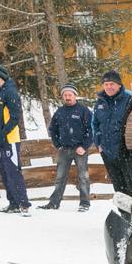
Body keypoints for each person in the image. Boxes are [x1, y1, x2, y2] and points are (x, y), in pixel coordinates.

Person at [39, 83, 93, 212]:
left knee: (83, 177)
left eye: (70, 95)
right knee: (60, 177)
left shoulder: (83, 111)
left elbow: (91, 130)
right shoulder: (60, 111)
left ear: (75, 96)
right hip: (64, 149)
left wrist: (84, 146)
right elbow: (53, 129)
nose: (68, 97)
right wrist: (58, 144)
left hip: (80, 150)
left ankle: (84, 203)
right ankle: (54, 203)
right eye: (65, 95)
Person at [0, 64, 31, 214]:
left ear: (0, 77)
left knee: (13, 171)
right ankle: (12, 203)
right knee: (5, 173)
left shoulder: (10, 92)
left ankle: (23, 203)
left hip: (10, 139)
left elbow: (15, 117)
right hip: (0, 140)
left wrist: (3, 133)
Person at [92, 70, 132, 194]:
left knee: (131, 185)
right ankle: (123, 213)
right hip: (107, 152)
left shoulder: (129, 99)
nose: (109, 87)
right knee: (118, 187)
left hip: (125, 152)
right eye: (106, 84)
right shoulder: (100, 101)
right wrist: (98, 144)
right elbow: (95, 123)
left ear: (119, 85)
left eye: (112, 84)